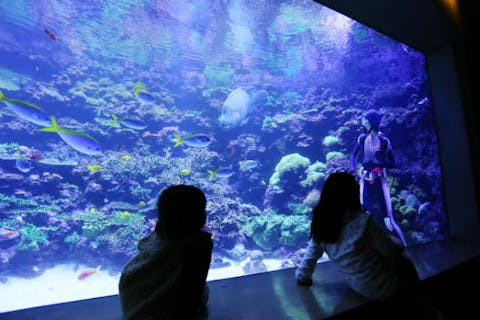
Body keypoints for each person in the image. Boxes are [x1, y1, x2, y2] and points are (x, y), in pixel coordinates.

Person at [295, 172, 442, 319]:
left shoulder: (322, 226)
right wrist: (395, 240)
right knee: (404, 263)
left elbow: (308, 261)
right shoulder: (364, 221)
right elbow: (391, 251)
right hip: (385, 288)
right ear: (351, 195)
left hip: (357, 286)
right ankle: (427, 311)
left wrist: (303, 277)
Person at [119, 185, 213, 320]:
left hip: (132, 303)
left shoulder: (159, 233)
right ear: (198, 216)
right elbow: (193, 290)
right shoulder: (198, 245)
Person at [350, 109, 407, 247]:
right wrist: (354, 171)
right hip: (365, 181)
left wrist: (381, 161)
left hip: (380, 182)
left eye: (365, 118)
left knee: (389, 218)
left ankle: (406, 247)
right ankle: (368, 250)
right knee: (365, 217)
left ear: (370, 122)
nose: (362, 121)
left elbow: (392, 163)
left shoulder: (384, 142)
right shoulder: (362, 138)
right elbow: (353, 156)